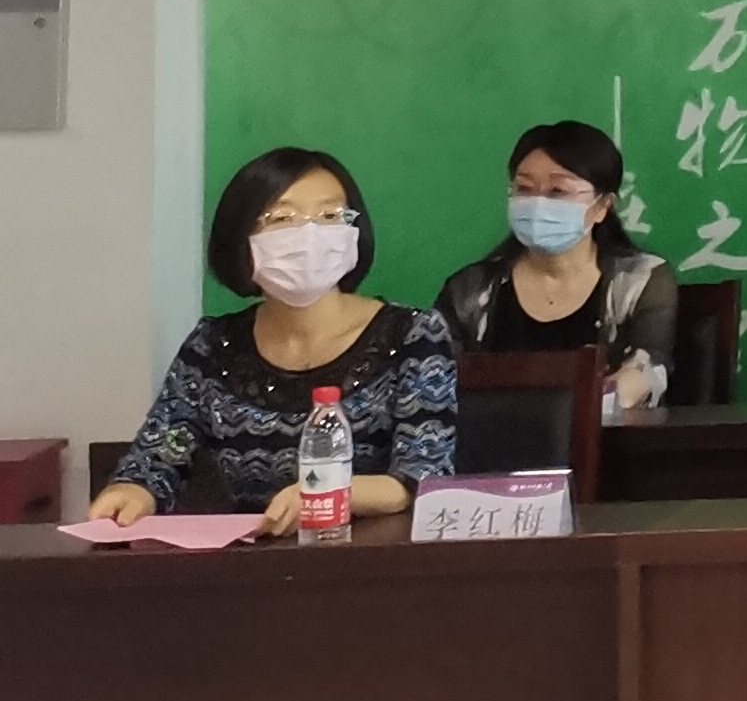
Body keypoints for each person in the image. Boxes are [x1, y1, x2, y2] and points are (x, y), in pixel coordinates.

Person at [93, 149, 455, 534]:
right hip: (255, 556)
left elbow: (424, 476)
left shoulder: (413, 334)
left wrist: (329, 494)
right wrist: (132, 491)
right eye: (283, 218)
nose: (310, 235)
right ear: (241, 239)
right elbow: (161, 452)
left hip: (377, 553)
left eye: (330, 216)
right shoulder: (214, 346)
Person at [435, 119, 679, 410]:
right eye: (525, 188)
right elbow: (434, 378)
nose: (537, 203)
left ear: (602, 206)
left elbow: (647, 368)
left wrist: (568, 415)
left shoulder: (639, 280)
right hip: (491, 435)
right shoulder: (470, 290)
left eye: (558, 191)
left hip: (602, 435)